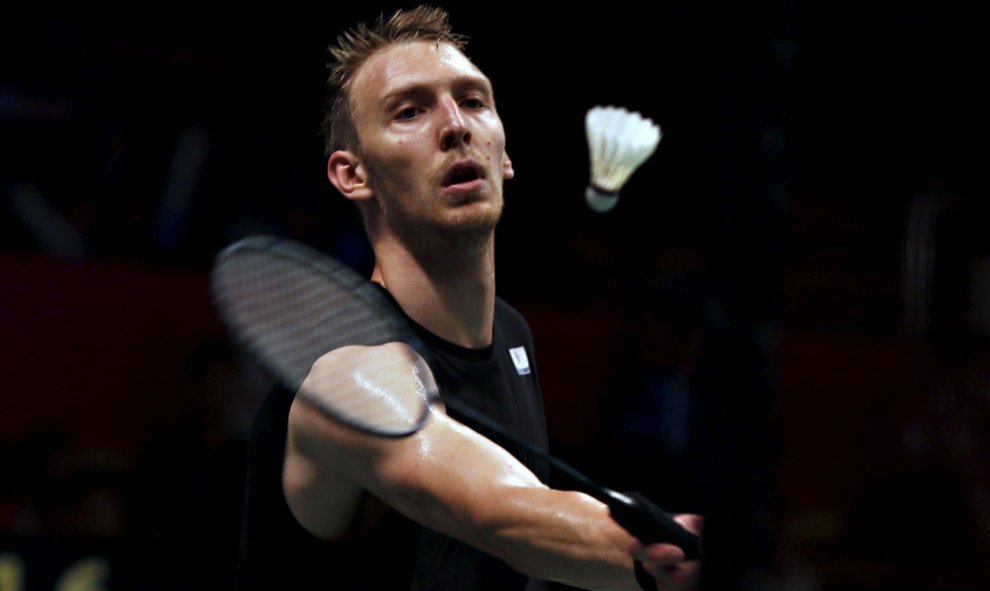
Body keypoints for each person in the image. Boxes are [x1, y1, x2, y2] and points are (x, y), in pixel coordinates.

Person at [235, 6, 702, 590]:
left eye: (474, 101)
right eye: (409, 111)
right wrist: (660, 556)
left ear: (503, 156)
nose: (456, 126)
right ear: (353, 175)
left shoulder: (511, 337)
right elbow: (498, 512)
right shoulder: (349, 377)